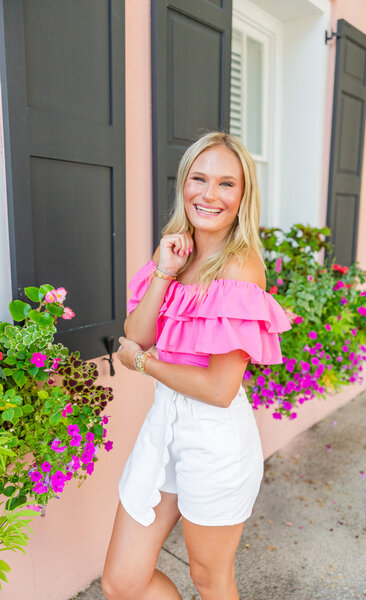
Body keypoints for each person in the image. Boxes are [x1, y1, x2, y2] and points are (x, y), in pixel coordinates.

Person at [101, 131, 291, 600]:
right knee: (122, 581)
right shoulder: (176, 251)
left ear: (243, 196)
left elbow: (218, 389)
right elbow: (138, 333)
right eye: (198, 178)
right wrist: (164, 271)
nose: (209, 194)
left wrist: (143, 364)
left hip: (216, 441)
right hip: (164, 427)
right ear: (183, 183)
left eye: (226, 184)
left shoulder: (240, 268)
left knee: (210, 579)